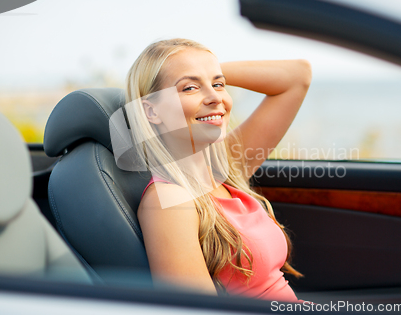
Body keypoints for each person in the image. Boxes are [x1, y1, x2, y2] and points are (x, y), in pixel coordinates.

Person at [124, 38, 311, 302]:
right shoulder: (171, 202)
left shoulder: (224, 167)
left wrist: (201, 70)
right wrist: (202, 73)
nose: (215, 98)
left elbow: (298, 76)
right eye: (189, 88)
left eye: (219, 85)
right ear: (152, 111)